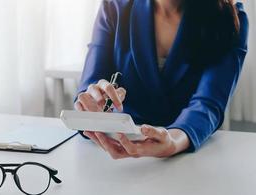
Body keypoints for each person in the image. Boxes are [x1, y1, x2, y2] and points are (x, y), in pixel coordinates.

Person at [75, 0, 249, 159]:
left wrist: (174, 142)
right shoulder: (114, 6)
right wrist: (91, 102)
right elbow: (91, 82)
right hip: (117, 147)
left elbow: (209, 103)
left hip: (186, 154)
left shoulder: (228, 15)